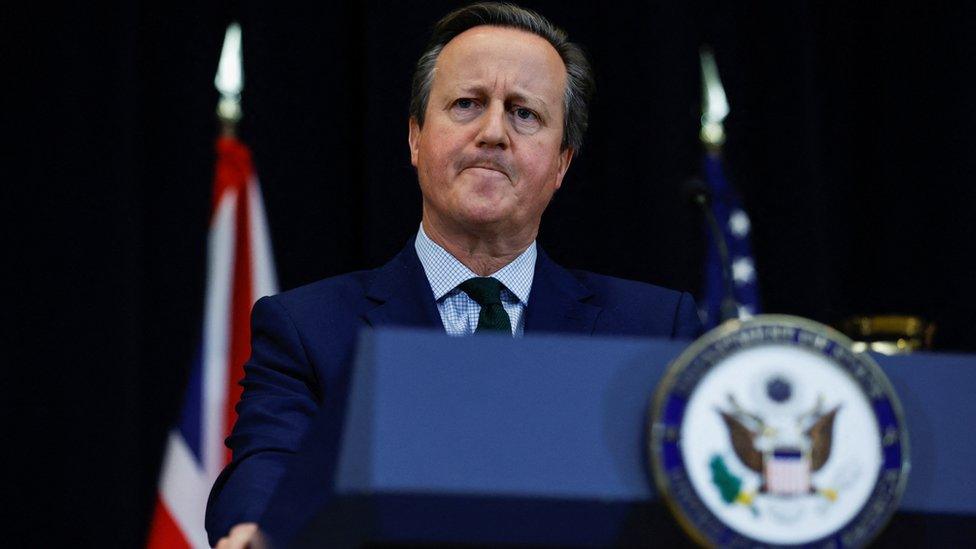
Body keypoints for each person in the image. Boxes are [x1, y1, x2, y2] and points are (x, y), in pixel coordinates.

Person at [207, 2, 701, 547]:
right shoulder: (307, 327)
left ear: (562, 162)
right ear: (416, 137)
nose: (493, 132)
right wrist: (258, 529)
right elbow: (267, 464)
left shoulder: (654, 329)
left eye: (524, 113)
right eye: (467, 104)